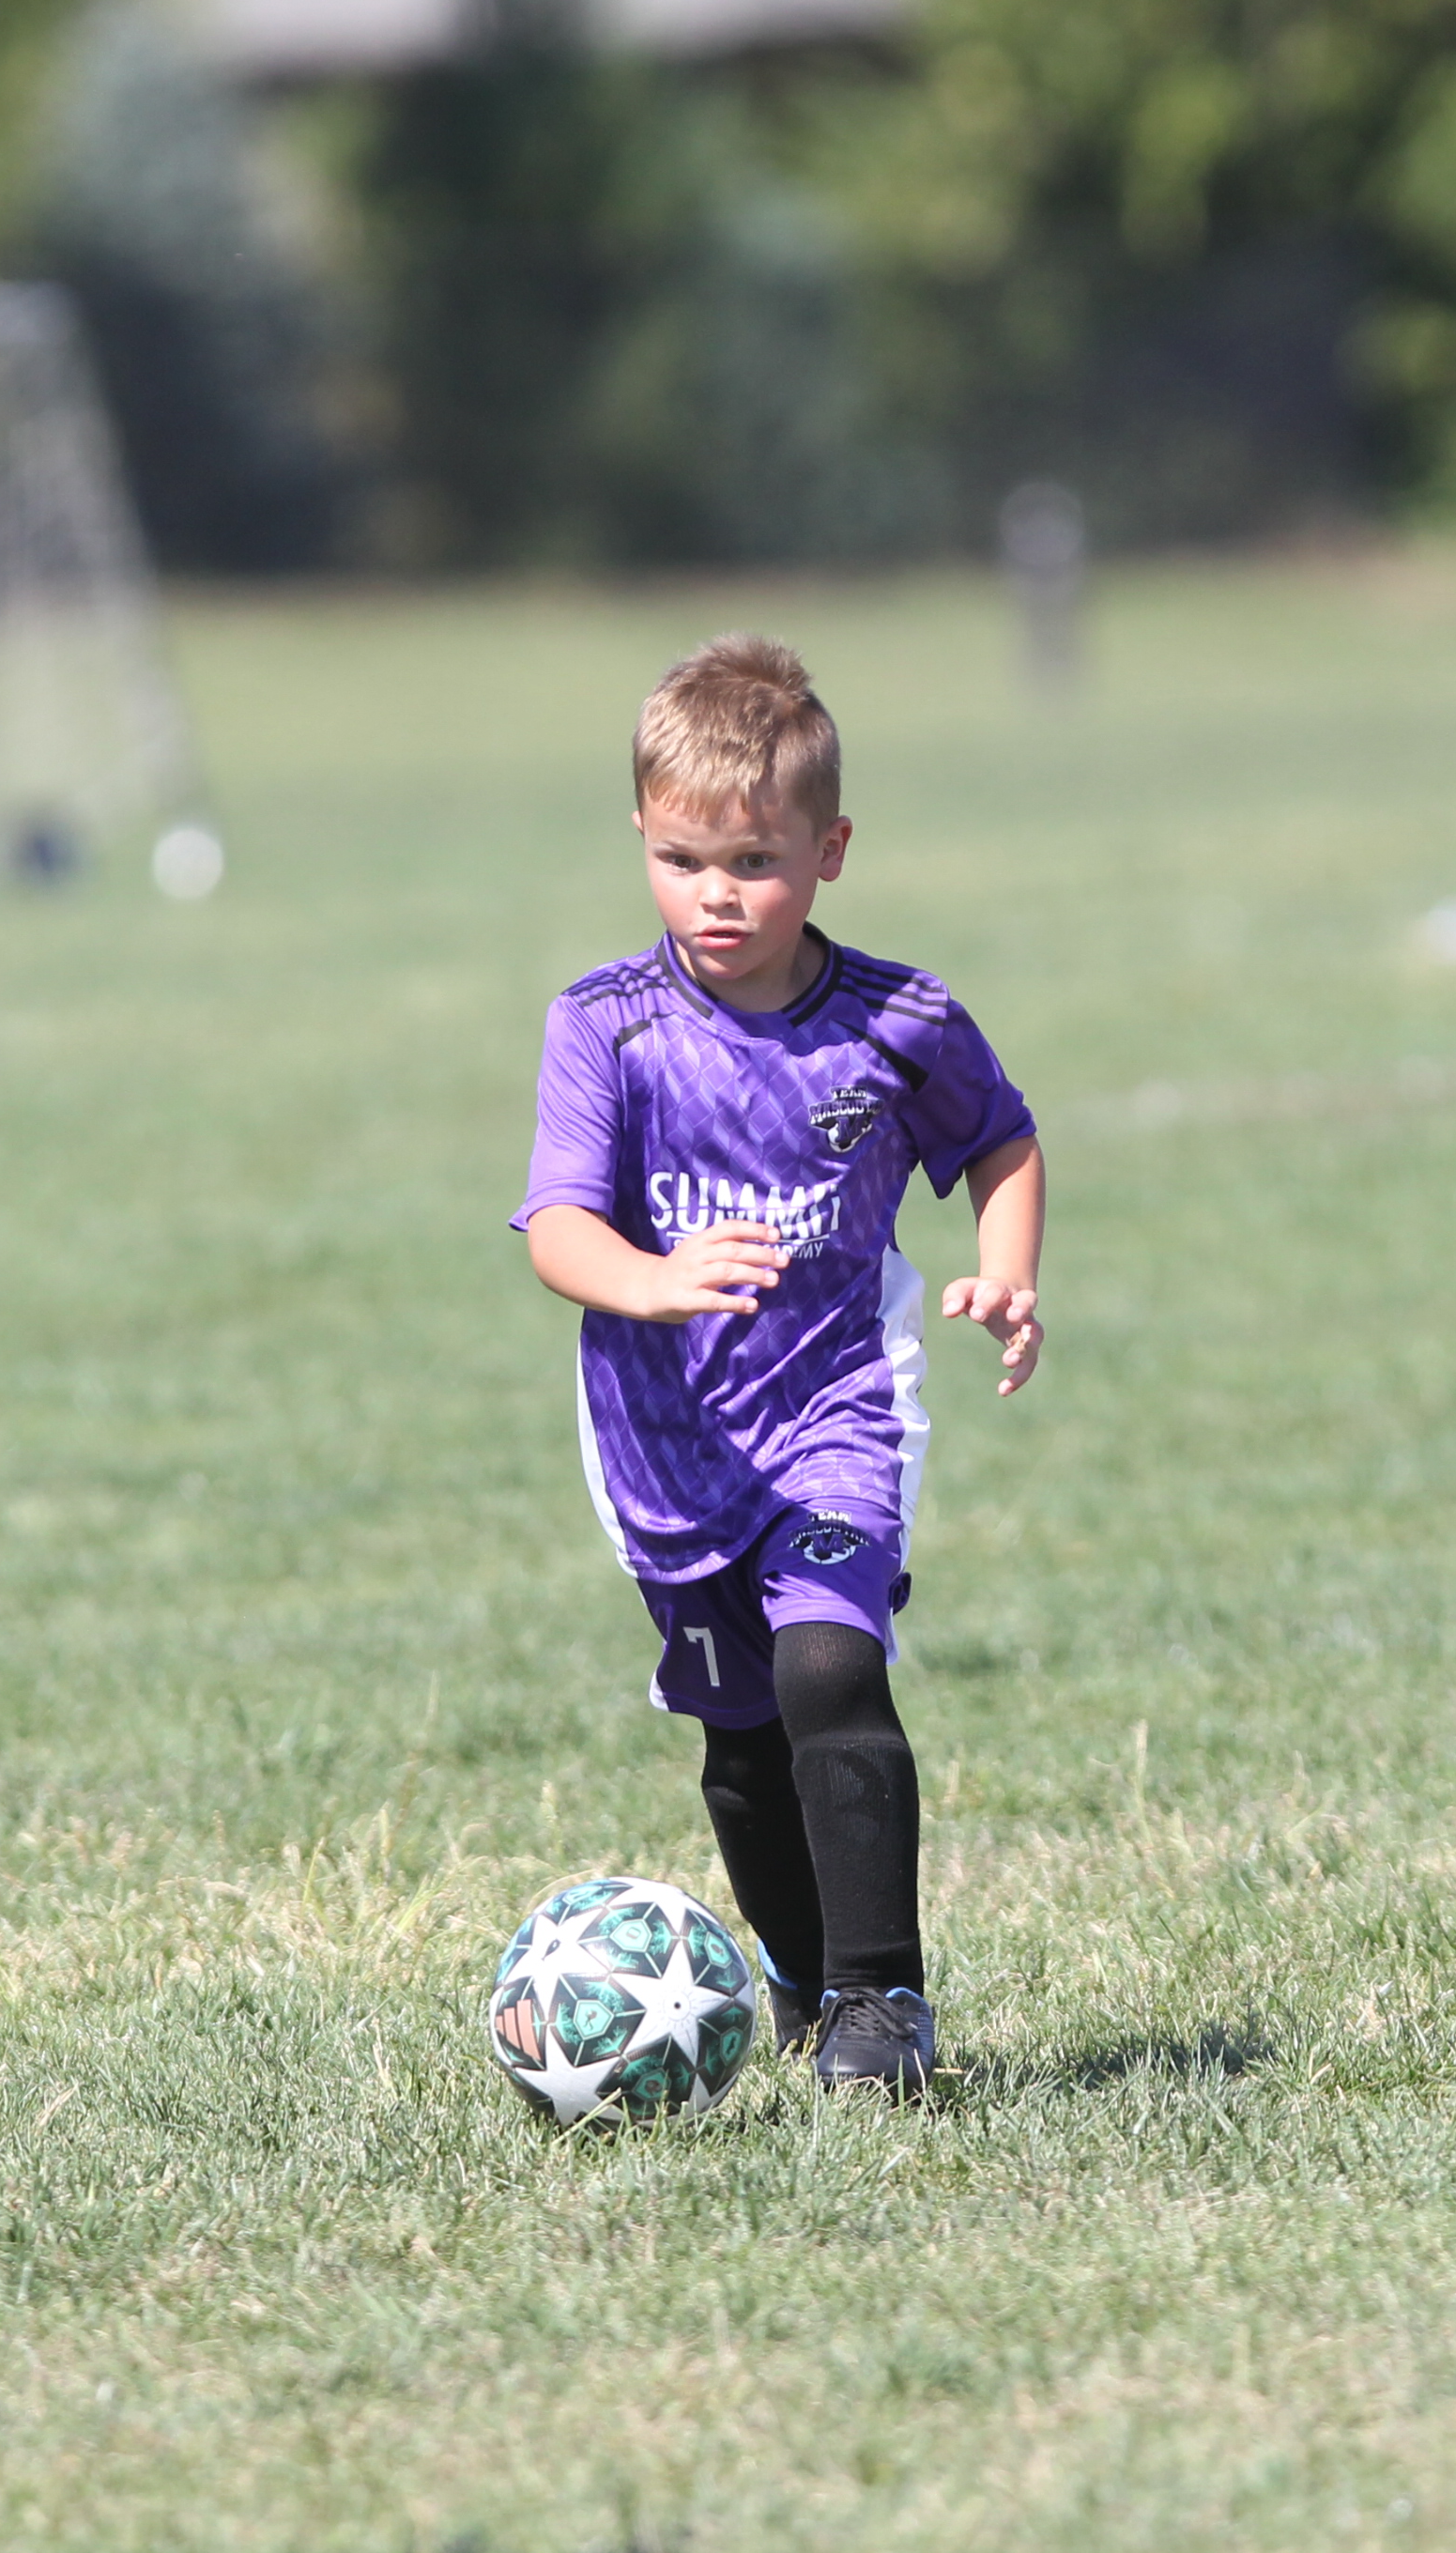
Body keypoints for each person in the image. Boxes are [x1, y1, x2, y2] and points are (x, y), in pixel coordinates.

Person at [514, 636, 1047, 2097]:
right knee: (742, 1745)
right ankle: (806, 1984)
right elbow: (558, 1225)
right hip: (664, 1441)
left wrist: (1007, 1271)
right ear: (641, 837)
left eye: (753, 861)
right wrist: (651, 1279)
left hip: (838, 1406)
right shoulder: (605, 1024)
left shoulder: (897, 1020)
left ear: (830, 852)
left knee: (829, 1662)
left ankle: (884, 2000)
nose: (715, 894)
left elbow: (1001, 1140)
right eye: (680, 860)